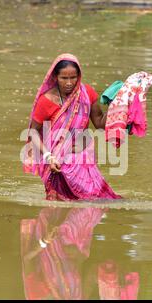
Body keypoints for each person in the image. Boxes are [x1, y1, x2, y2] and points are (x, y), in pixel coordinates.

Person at [23, 53, 121, 201]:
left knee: (95, 198)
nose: (69, 83)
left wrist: (114, 104)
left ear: (79, 76)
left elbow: (100, 123)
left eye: (73, 77)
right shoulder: (46, 101)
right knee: (58, 203)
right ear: (55, 77)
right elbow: (33, 132)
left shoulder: (87, 94)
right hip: (56, 162)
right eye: (64, 78)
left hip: (83, 159)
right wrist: (48, 156)